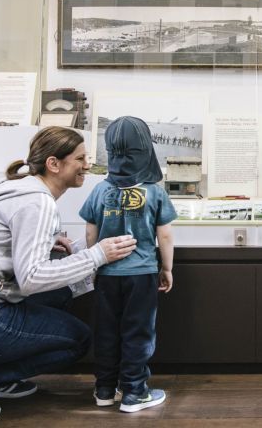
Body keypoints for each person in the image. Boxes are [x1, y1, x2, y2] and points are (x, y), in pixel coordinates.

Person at [0, 127, 137, 424]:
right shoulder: (38, 202)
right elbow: (31, 278)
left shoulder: (18, 188)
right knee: (78, 339)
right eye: (80, 159)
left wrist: (46, 242)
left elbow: (0, 247)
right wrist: (98, 255)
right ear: (54, 164)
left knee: (59, 293)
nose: (87, 165)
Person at [80, 116, 177, 414]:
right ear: (146, 150)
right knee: (138, 332)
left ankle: (105, 389)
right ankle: (135, 391)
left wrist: (95, 264)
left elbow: (90, 232)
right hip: (142, 274)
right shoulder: (155, 192)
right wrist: (167, 268)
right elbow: (166, 234)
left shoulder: (99, 190)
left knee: (107, 331)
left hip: (108, 274)